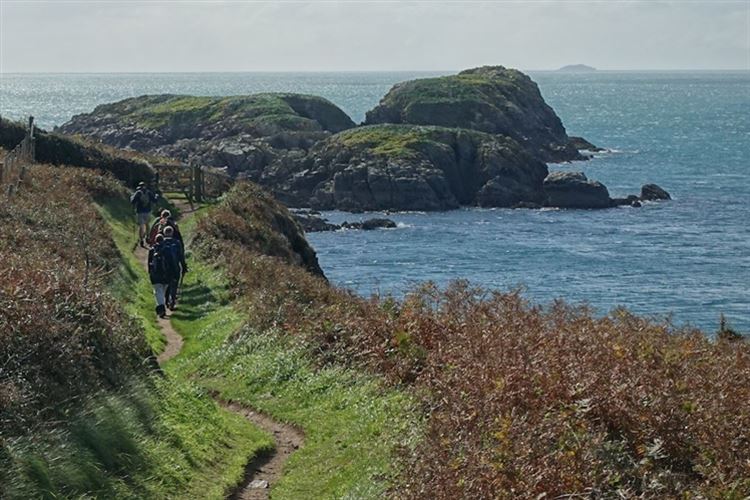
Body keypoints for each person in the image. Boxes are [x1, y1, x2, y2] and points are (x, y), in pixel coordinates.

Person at [147, 234, 179, 319]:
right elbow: (172, 263)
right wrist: (175, 274)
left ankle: (161, 308)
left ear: (156, 241)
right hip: (166, 275)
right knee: (163, 292)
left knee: (158, 292)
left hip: (155, 276)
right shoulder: (168, 249)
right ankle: (162, 307)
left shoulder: (152, 250)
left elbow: (149, 265)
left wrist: (150, 274)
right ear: (163, 240)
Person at [162, 225, 188, 310]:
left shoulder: (161, 243)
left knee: (166, 284)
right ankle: (172, 300)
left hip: (164, 268)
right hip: (175, 267)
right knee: (174, 285)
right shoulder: (177, 243)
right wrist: (184, 266)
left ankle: (166, 300)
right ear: (172, 233)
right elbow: (181, 256)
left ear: (164, 233)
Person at [130, 181, 159, 248]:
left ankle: (141, 240)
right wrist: (157, 196)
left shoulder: (138, 193)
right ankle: (148, 237)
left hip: (140, 211)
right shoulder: (148, 192)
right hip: (148, 211)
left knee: (141, 226)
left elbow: (132, 201)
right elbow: (154, 200)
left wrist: (131, 196)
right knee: (147, 224)